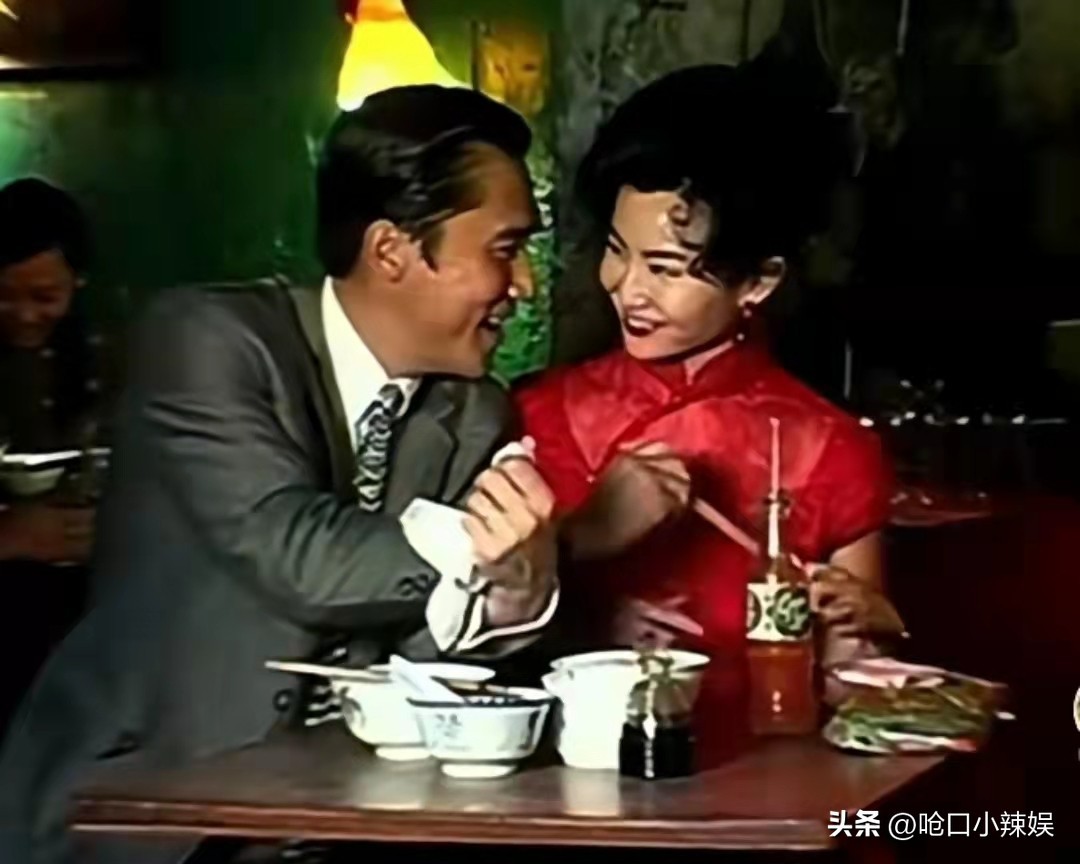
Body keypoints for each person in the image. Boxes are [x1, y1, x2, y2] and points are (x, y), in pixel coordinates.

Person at [0, 85, 559, 864]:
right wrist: (480, 550)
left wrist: (514, 597)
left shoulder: (475, 413)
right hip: (137, 812)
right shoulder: (207, 338)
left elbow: (428, 662)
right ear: (391, 251)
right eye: (504, 249)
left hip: (335, 823)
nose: (525, 283)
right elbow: (294, 550)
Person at [516, 64, 904, 765]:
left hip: (765, 782)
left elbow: (852, 689)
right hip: (569, 779)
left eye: (665, 268)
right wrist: (584, 615)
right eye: (616, 251)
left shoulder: (832, 448)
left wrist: (866, 632)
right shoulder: (537, 414)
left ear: (758, 282)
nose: (627, 288)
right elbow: (473, 635)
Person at [0, 178, 113, 734]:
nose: (23, 314)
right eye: (3, 295)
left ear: (77, 282)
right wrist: (11, 536)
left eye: (44, 297)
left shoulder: (107, 357)